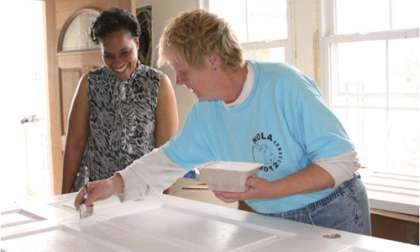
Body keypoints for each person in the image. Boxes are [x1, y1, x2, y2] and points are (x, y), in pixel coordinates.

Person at [75, 9, 371, 235]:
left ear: (212, 60)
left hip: (330, 212)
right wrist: (114, 184)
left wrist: (269, 189)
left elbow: (341, 162)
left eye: (183, 69)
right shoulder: (207, 112)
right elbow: (166, 160)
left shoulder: (284, 85)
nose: (179, 80)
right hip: (267, 216)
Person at [62, 8, 179, 193]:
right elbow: (75, 143)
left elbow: (166, 152)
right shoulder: (89, 83)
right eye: (108, 55)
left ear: (137, 43)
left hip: (143, 194)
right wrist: (64, 197)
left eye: (125, 53)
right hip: (96, 194)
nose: (117, 62)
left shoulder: (158, 84)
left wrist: (164, 200)